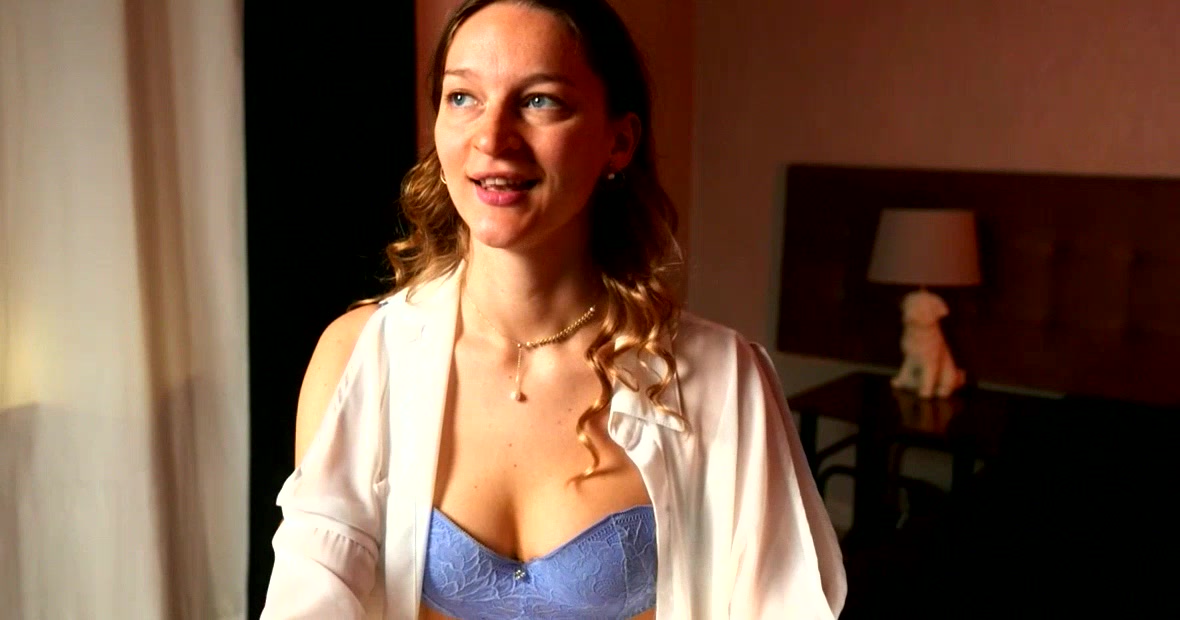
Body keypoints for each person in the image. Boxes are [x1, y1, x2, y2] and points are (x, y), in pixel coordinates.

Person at [261, 0, 846, 618]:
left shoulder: (722, 379)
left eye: (540, 100)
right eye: (462, 97)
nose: (492, 139)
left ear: (619, 141)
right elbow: (312, 599)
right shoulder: (361, 358)